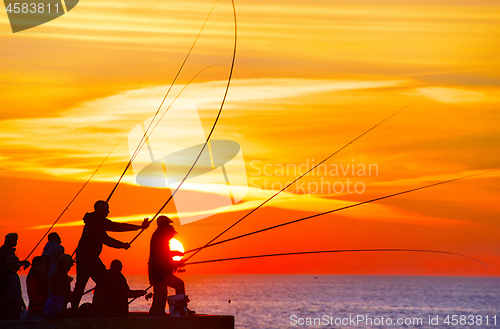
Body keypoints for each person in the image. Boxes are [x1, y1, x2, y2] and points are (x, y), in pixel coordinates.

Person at [71, 200, 150, 315]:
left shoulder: (92, 221)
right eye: (106, 209)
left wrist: (122, 244)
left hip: (83, 257)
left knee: (81, 284)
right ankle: (100, 309)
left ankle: (75, 311)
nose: (108, 211)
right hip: (90, 258)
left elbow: (107, 238)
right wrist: (138, 228)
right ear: (100, 209)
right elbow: (115, 229)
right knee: (105, 281)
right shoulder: (98, 221)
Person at [148, 215, 192, 316]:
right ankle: (180, 309)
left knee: (161, 295)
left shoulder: (159, 237)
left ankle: (160, 312)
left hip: (159, 274)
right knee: (161, 295)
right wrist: (177, 263)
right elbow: (162, 259)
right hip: (159, 275)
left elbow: (164, 254)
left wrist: (176, 253)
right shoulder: (160, 237)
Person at [44, 254, 74, 319]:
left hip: (58, 305)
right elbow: (57, 292)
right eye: (69, 265)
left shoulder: (57, 274)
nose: (70, 267)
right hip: (56, 306)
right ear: (64, 264)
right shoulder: (59, 275)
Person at [0, 255, 26, 320]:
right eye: (16, 263)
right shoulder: (4, 275)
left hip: (16, 304)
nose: (18, 265)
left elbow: (18, 290)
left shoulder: (15, 275)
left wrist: (21, 302)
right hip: (8, 304)